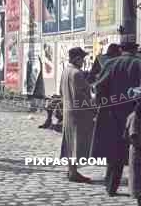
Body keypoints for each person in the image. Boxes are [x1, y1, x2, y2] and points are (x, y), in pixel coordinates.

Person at [91, 41, 141, 196]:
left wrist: (102, 106)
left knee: (115, 154)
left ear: (121, 50)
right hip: (138, 114)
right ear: (136, 50)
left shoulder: (110, 64)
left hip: (113, 115)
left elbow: (99, 88)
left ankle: (111, 187)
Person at [60, 47, 95, 183]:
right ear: (76, 58)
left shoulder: (65, 71)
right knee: (76, 143)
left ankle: (71, 170)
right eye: (82, 59)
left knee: (70, 142)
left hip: (68, 111)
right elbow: (80, 96)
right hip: (78, 113)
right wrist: (92, 107)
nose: (83, 61)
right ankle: (73, 172)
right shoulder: (76, 73)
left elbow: (62, 92)